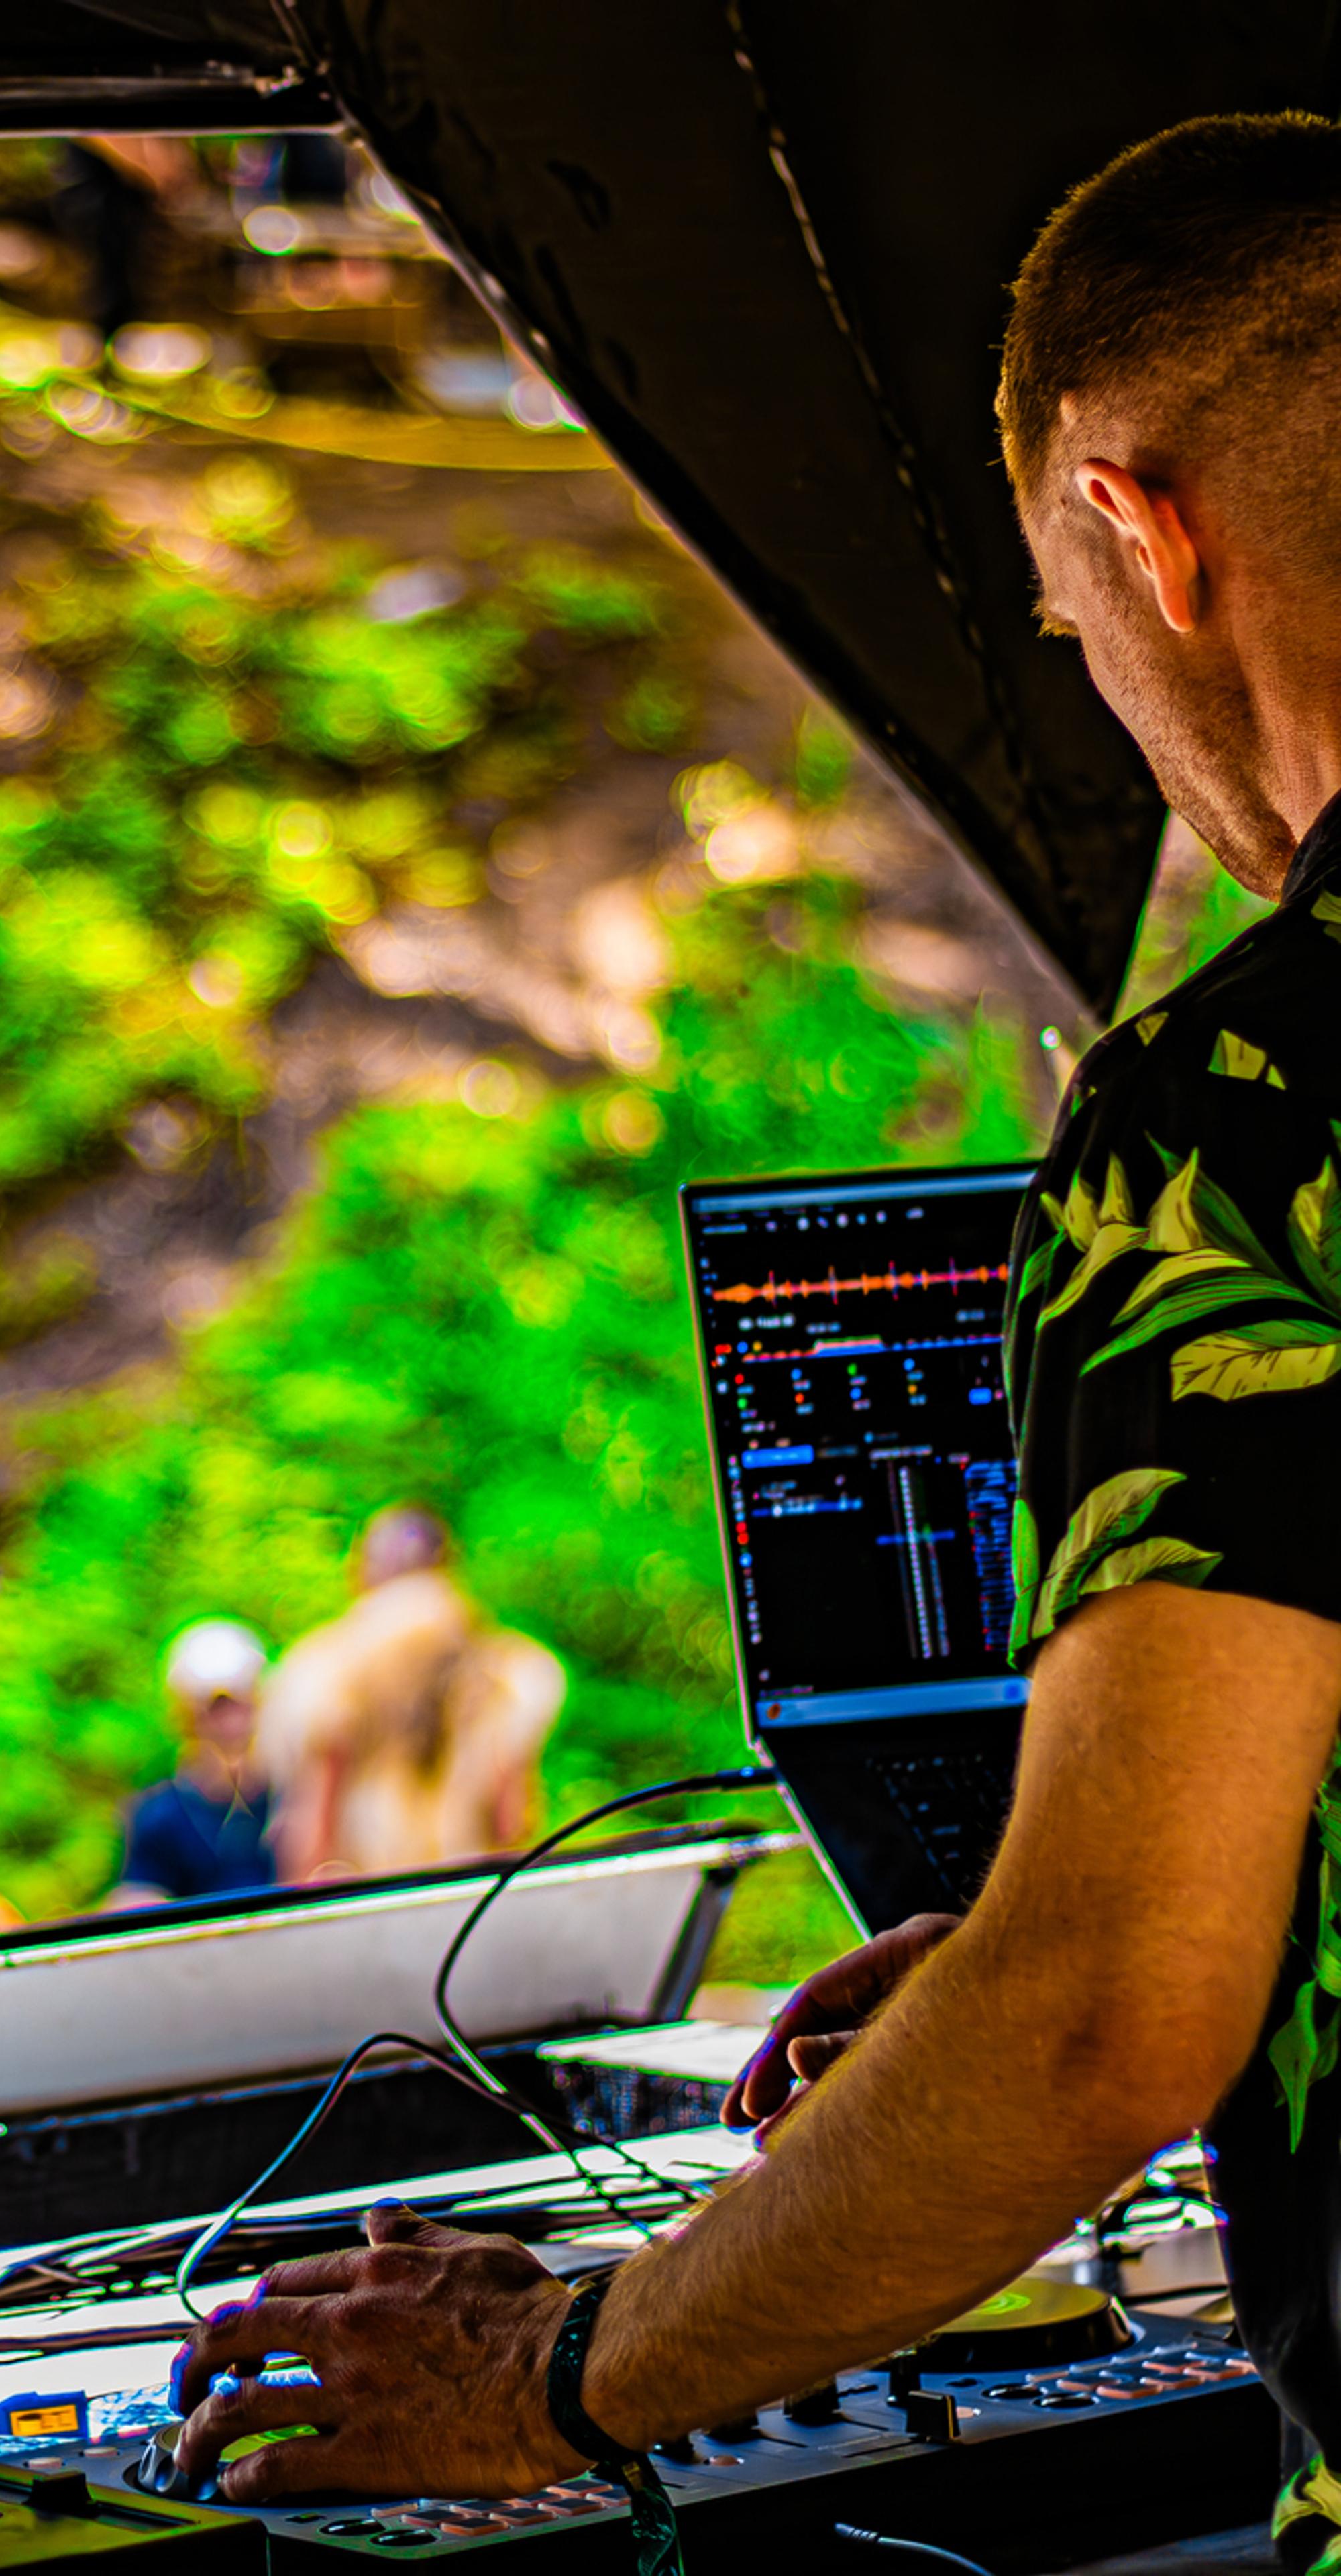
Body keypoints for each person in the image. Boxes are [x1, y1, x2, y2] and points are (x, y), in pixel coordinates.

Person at [169, 112, 1341, 2530]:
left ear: (1136, 529)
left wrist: (547, 2374)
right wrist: (1116, 1893)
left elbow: (1106, 2017)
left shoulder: (1241, 1112)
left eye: (1065, 627)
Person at [250, 1507, 564, 1880]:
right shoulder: (506, 1667)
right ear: (447, 1565)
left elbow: (314, 1829)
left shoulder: (324, 1665)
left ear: (365, 1570)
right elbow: (510, 1822)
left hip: (369, 1896)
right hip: (468, 1892)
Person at [103, 1619, 278, 1907]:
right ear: (185, 1718)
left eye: (240, 1705)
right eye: (215, 1709)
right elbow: (138, 1897)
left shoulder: (293, 1795)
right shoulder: (159, 1816)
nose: (231, 1724)